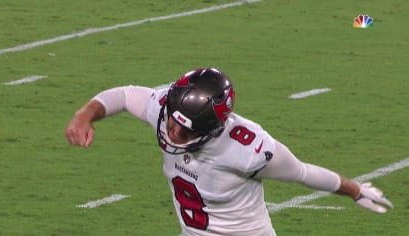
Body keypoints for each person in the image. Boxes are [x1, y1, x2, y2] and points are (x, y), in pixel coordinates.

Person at [65, 68, 393, 236]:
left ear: (212, 128)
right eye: (173, 122)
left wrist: (355, 190)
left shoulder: (248, 149)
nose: (174, 132)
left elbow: (304, 173)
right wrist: (85, 114)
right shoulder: (166, 107)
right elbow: (123, 95)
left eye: (188, 129)